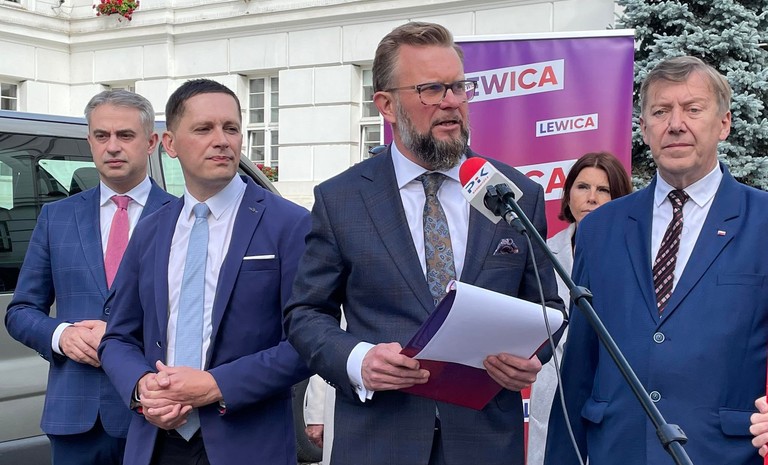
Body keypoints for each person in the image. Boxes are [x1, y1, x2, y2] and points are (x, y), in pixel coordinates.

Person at [283, 21, 562, 465]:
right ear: (386, 105)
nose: (451, 102)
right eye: (431, 89)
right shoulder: (342, 199)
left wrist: (533, 357)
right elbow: (305, 314)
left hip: (486, 442)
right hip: (379, 440)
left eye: (458, 87)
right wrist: (358, 359)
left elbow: (546, 307)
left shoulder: (513, 193)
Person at [544, 55, 768, 465]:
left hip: (724, 454)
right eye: (661, 111)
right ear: (644, 127)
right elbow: (579, 366)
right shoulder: (600, 228)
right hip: (618, 451)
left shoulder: (763, 221)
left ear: (724, 124)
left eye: (693, 109)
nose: (676, 124)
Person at [98, 79, 311, 465]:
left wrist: (216, 385)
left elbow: (308, 343)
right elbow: (118, 337)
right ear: (170, 144)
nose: (222, 140)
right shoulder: (151, 229)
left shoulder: (290, 224)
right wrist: (142, 388)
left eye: (231, 128)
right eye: (204, 129)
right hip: (157, 441)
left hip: (247, 444)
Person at [4, 90, 175, 464]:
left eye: (125, 135)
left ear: (151, 143)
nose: (112, 146)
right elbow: (20, 312)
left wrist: (119, 340)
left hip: (156, 414)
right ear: (90, 141)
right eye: (102, 135)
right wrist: (62, 335)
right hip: (75, 417)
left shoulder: (182, 217)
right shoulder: (56, 218)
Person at [526, 151, 631, 465]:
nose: (591, 198)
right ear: (568, 194)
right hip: (552, 393)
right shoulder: (543, 252)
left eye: (604, 190)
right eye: (583, 187)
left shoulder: (634, 257)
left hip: (612, 394)